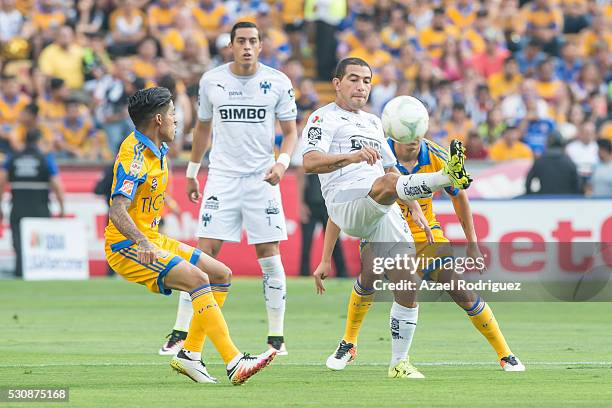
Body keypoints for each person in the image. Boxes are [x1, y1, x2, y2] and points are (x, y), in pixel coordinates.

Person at [301, 57, 472, 378]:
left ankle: (399, 363)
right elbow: (309, 162)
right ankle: (447, 177)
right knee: (388, 185)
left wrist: (417, 210)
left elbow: (392, 170)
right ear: (336, 83)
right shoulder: (322, 119)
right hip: (346, 203)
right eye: (353, 79)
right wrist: (351, 156)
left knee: (407, 282)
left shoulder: (374, 123)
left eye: (366, 80)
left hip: (383, 206)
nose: (361, 86)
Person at [104, 87, 276, 385]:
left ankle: (190, 355)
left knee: (220, 273)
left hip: (152, 238)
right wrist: (143, 243)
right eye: (173, 114)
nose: (177, 120)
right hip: (127, 246)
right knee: (197, 280)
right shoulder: (134, 157)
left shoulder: (157, 148)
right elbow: (117, 210)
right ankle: (234, 361)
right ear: (158, 120)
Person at [315, 133, 526, 373]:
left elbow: (460, 198)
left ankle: (505, 353)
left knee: (460, 290)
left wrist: (472, 243)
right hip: (384, 230)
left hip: (426, 236)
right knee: (368, 276)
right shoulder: (375, 154)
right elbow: (342, 207)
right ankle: (349, 343)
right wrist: (325, 258)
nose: (413, 139)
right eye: (405, 134)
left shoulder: (437, 156)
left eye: (416, 133)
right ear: (394, 134)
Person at [163, 22, 298, 357]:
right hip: (221, 177)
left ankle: (276, 338)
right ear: (231, 46)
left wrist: (281, 163)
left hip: (261, 177)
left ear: (261, 45)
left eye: (253, 41)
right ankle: (180, 332)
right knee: (203, 253)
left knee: (269, 254)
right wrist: (193, 172)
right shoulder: (213, 81)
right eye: (241, 41)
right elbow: (202, 130)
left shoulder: (278, 82)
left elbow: (291, 132)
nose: (247, 47)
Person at [0, 128, 65, 278]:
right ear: (38, 141)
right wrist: (62, 208)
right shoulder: (45, 159)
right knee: (40, 242)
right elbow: (57, 185)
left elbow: (2, 181)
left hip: (18, 206)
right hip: (40, 207)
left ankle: (20, 272)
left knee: (18, 241)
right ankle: (39, 272)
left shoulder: (13, 157)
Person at [525, 130, 580, 195]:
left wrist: (533, 195)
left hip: (544, 200)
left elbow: (528, 183)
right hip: (565, 201)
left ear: (547, 143)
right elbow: (577, 184)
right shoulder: (569, 161)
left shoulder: (540, 161)